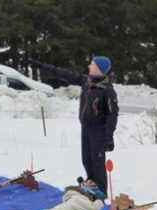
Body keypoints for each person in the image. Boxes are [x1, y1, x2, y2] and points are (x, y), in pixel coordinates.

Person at [27, 56, 119, 195]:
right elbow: (65, 74)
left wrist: (108, 137)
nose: (89, 66)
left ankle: (100, 192)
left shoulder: (107, 90)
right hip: (86, 129)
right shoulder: (86, 81)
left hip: (98, 131)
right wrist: (42, 66)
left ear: (99, 69)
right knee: (87, 160)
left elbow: (112, 115)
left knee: (97, 163)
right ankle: (91, 184)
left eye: (92, 64)